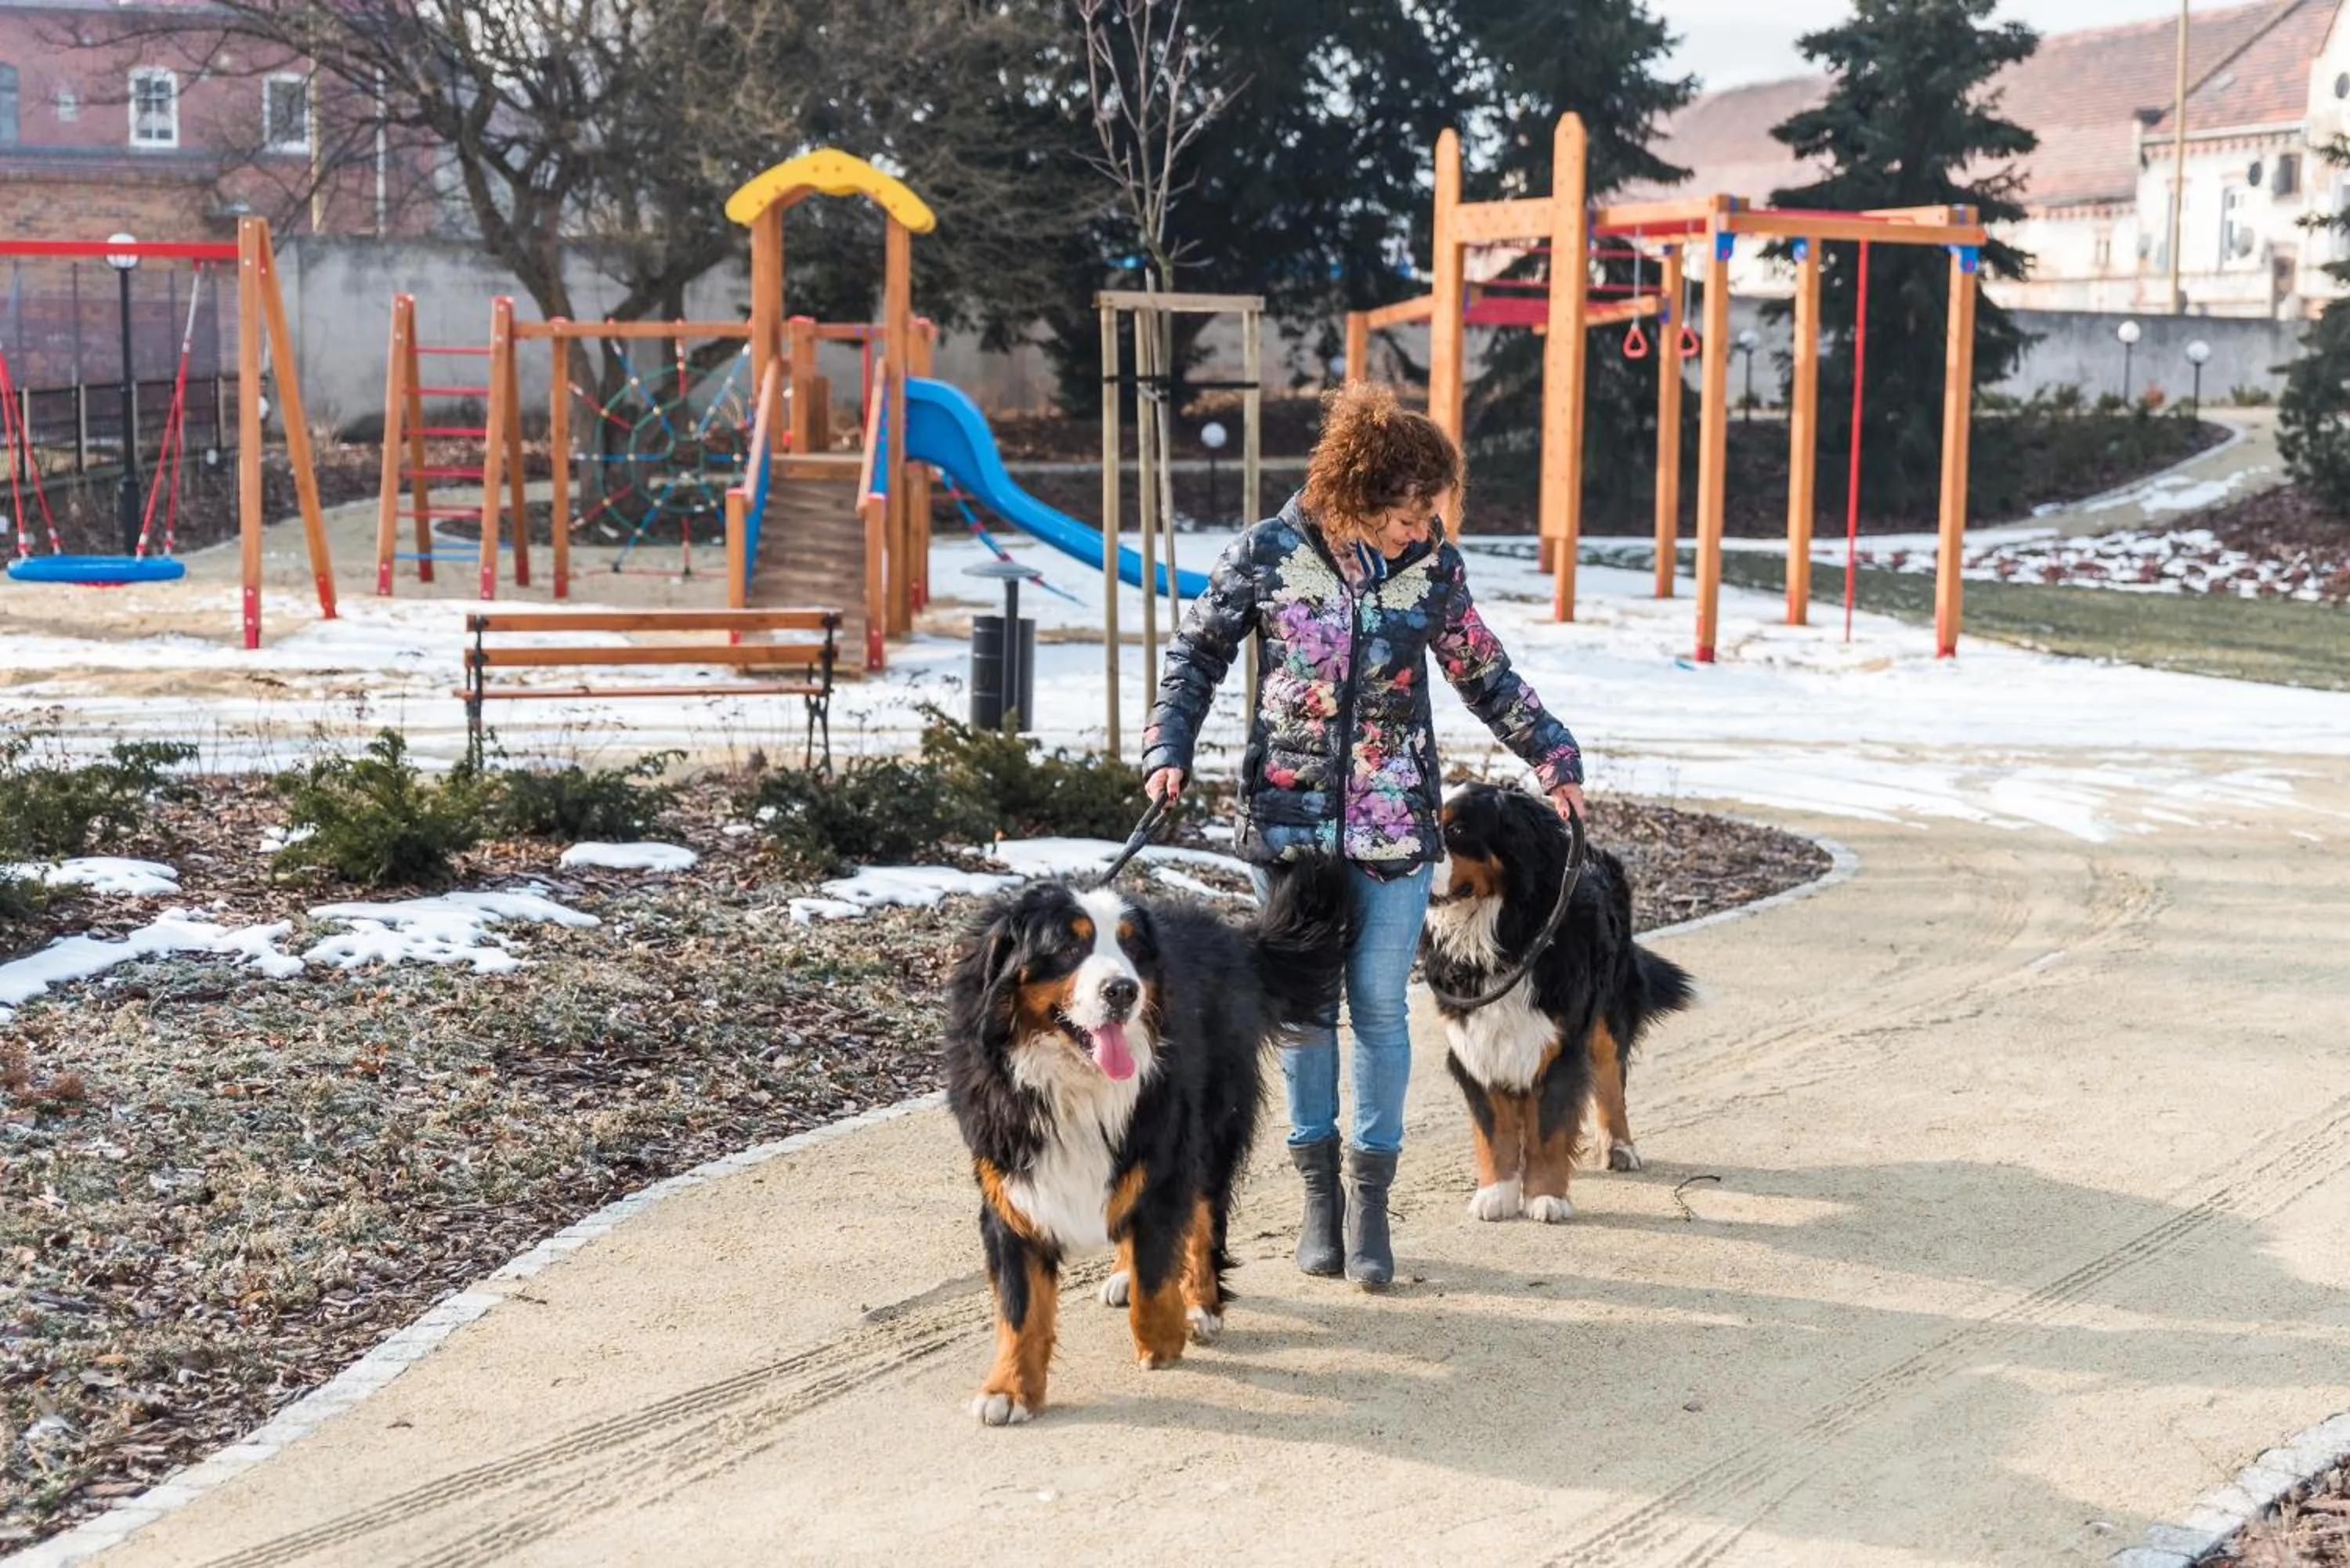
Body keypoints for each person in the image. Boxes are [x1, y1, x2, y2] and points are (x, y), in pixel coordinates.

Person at [1141, 381, 1585, 1289]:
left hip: (1393, 830)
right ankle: (1315, 1198)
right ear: (1357, 489)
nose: (1421, 528)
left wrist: (1554, 754)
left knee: (1379, 1008)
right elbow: (1196, 655)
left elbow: (1485, 674)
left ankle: (1369, 1202)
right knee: (1305, 1014)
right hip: (1291, 826)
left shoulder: (1431, 571)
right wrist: (1167, 746)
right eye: (1409, 509)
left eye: (1432, 512)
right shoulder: (1266, 556)